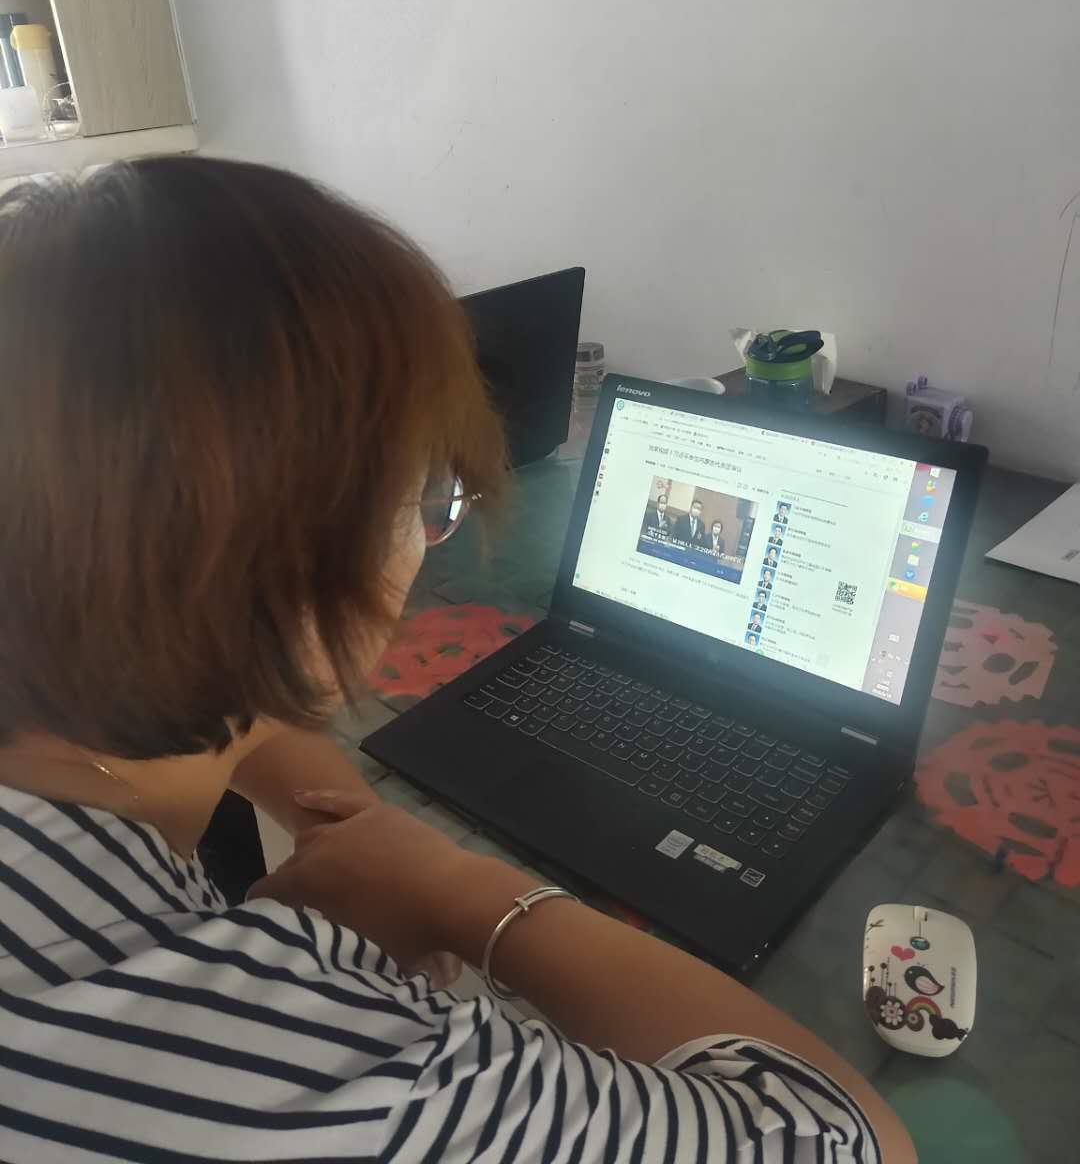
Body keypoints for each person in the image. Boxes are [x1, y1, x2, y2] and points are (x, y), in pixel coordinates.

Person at [0, 158, 913, 1164]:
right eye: (432, 498)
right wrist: (452, 887)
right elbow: (844, 1137)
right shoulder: (332, 1077)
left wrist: (350, 825)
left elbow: (213, 645)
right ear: (298, 571)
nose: (432, 536)